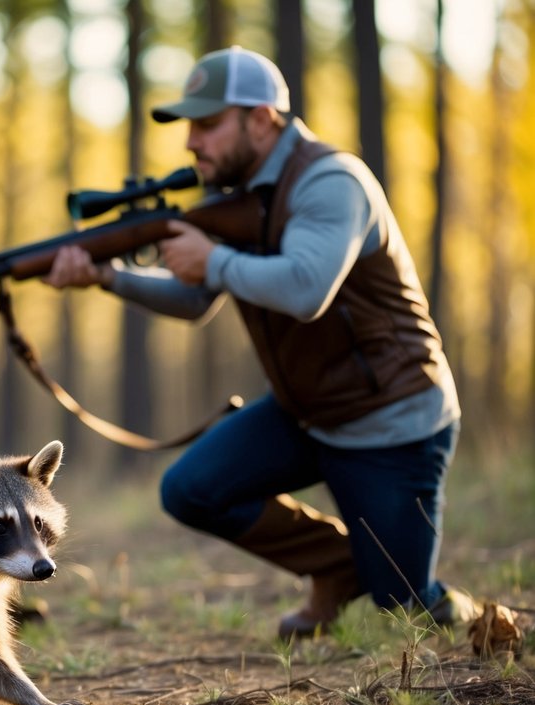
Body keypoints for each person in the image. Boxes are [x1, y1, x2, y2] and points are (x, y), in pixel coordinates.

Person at [42, 46, 474, 638]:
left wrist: (213, 260)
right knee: (192, 489)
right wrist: (109, 277)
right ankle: (340, 565)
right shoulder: (242, 197)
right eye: (189, 125)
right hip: (308, 409)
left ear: (263, 118)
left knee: (405, 607)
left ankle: (459, 610)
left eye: (208, 123)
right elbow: (196, 298)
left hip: (391, 419)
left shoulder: (332, 182)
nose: (192, 142)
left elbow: (304, 290)